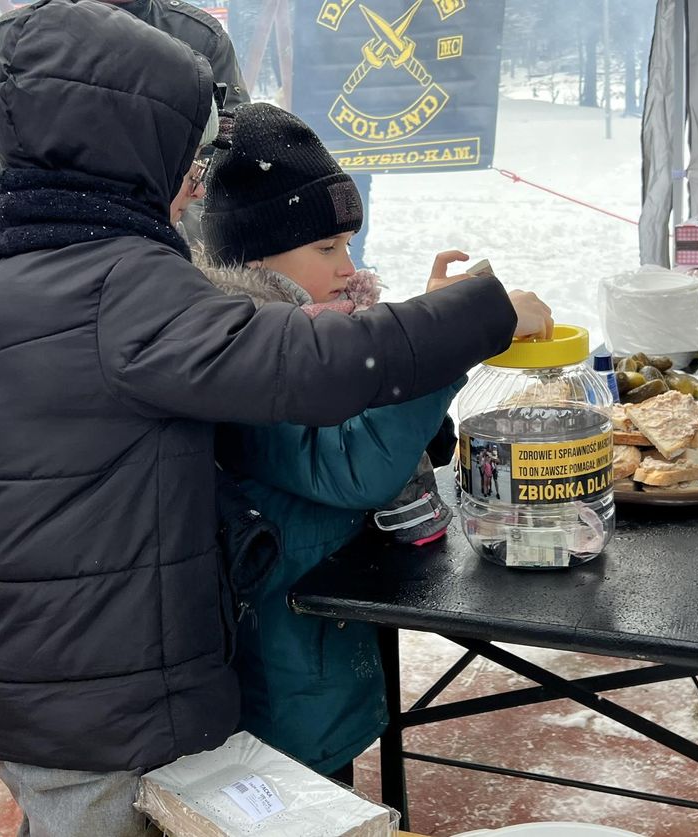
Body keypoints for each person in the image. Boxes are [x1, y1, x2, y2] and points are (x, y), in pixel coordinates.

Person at [0, 2, 554, 835]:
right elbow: (312, 370)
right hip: (102, 701)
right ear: (124, 149)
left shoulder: (19, 278)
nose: (196, 182)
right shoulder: (124, 286)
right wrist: (479, 315)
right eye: (185, 153)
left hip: (45, 683)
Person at [196, 103, 509, 781]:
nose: (347, 264)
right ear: (255, 254)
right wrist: (442, 345)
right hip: (278, 665)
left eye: (348, 244)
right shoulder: (254, 354)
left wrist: (418, 336)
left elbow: (411, 442)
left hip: (321, 636)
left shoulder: (321, 330)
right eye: (326, 248)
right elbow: (356, 464)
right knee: (297, 801)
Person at [0, 0, 248, 205]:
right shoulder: (17, 37)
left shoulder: (201, 38)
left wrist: (173, 219)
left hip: (180, 253)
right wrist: (47, 211)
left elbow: (234, 153)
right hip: (55, 254)